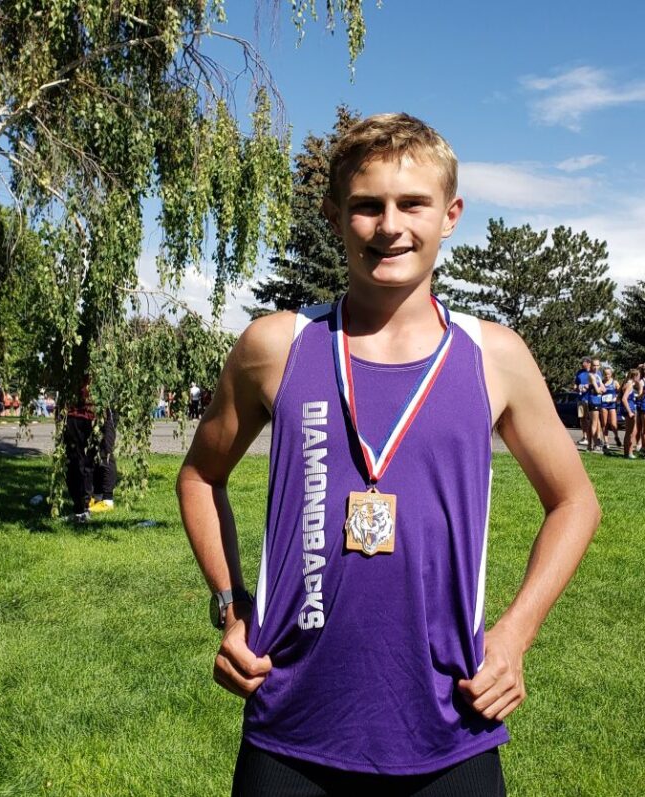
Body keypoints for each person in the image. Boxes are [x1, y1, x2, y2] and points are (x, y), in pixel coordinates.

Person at [177, 113, 600, 797]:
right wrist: (230, 607)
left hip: (450, 721)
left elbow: (575, 501)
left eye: (413, 204)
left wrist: (516, 634)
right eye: (368, 205)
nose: (390, 226)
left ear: (451, 214)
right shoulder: (276, 346)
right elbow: (200, 475)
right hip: (292, 721)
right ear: (335, 215)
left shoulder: (494, 356)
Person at [63, 377, 117, 523]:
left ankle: (88, 506)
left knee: (90, 462)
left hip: (92, 416)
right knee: (74, 463)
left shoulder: (98, 365)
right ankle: (80, 506)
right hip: (73, 415)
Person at [620, 369, 641, 459]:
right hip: (630, 410)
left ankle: (626, 453)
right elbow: (624, 399)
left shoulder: (626, 383)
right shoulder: (630, 385)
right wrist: (629, 412)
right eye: (639, 376)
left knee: (628, 432)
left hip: (627, 409)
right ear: (635, 376)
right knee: (632, 432)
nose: (639, 378)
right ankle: (630, 452)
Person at [599, 366, 622, 450]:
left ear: (611, 374)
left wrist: (616, 398)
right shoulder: (601, 382)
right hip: (604, 405)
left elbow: (620, 392)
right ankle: (606, 442)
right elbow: (599, 393)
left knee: (613, 423)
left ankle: (616, 436)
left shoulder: (615, 382)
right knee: (604, 424)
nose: (607, 376)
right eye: (605, 374)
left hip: (612, 405)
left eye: (608, 374)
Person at [586, 359, 605, 452]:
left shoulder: (598, 375)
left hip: (598, 400)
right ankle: (593, 444)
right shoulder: (591, 375)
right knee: (593, 423)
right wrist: (600, 389)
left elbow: (604, 389)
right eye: (594, 365)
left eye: (597, 365)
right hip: (593, 401)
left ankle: (594, 444)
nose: (596, 367)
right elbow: (598, 390)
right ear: (591, 366)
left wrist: (600, 389)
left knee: (598, 423)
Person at [573, 357, 592, 446]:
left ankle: (591, 437)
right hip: (581, 398)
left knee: (590, 419)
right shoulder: (579, 372)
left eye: (583, 362)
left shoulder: (593, 372)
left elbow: (598, 383)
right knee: (582, 418)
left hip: (590, 399)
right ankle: (584, 437)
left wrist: (589, 386)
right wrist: (576, 387)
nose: (581, 364)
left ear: (588, 363)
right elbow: (576, 383)